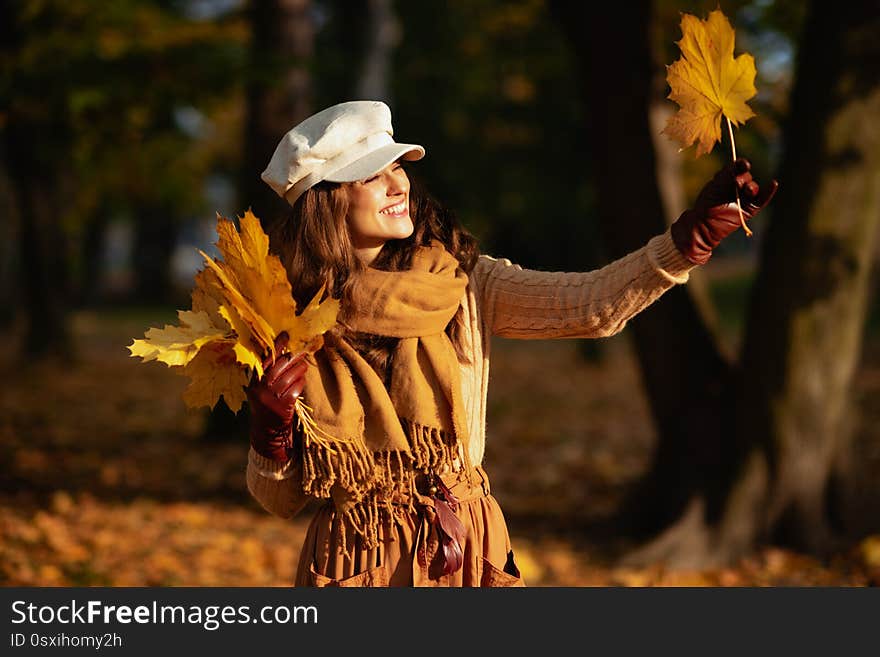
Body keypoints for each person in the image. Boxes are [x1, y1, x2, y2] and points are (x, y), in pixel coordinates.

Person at [245, 100, 777, 587]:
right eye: (372, 175)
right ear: (326, 201)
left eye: (399, 168)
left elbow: (591, 306)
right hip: (355, 560)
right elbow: (279, 500)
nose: (398, 185)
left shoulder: (463, 283)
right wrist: (271, 437)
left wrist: (688, 242)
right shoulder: (283, 319)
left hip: (465, 546)